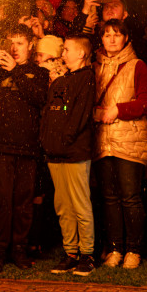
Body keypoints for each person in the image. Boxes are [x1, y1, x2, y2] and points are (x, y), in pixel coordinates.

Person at [0, 24, 49, 273]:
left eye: (20, 43)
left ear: (30, 46)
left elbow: (39, 98)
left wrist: (17, 71)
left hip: (27, 146)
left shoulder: (38, 72)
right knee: (0, 200)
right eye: (10, 43)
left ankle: (19, 249)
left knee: (23, 201)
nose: (14, 48)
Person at [93, 20, 147, 269]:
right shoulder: (94, 66)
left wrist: (118, 109)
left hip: (129, 140)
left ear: (126, 38)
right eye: (107, 35)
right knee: (109, 197)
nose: (111, 39)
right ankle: (116, 248)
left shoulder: (136, 65)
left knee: (130, 197)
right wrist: (96, 112)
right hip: (102, 141)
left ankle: (134, 249)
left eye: (116, 35)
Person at [40, 37, 96, 276]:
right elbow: (51, 111)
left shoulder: (86, 78)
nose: (63, 52)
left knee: (80, 204)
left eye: (67, 49)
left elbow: (79, 114)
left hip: (74, 152)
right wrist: (47, 140)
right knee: (63, 205)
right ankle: (70, 251)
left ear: (81, 54)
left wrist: (65, 139)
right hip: (55, 152)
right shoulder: (61, 80)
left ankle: (87, 253)